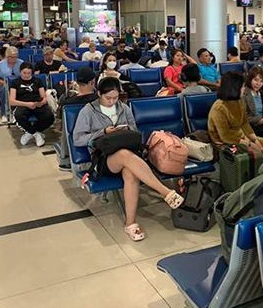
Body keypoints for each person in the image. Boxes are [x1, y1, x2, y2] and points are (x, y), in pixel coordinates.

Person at [73, 77, 185, 241]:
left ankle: (130, 224)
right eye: (108, 98)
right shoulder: (88, 111)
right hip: (103, 158)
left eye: (115, 97)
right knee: (125, 156)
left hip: (128, 155)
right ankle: (165, 192)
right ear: (99, 94)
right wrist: (103, 132)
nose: (112, 102)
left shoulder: (123, 108)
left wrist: (124, 129)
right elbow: (78, 139)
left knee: (130, 173)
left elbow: (134, 130)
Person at [207, 71, 263, 158]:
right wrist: (249, 143)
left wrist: (255, 140)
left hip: (242, 138)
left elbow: (245, 123)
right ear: (235, 88)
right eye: (242, 86)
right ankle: (259, 171)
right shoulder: (219, 108)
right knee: (257, 152)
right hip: (225, 143)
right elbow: (225, 136)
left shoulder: (239, 101)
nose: (244, 89)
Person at [56, 67, 98, 171]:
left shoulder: (67, 104)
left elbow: (60, 124)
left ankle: (65, 156)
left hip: (77, 143)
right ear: (93, 82)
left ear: (77, 83)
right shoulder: (100, 101)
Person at [9, 62, 54, 147]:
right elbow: (12, 101)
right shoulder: (15, 82)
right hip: (23, 104)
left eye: (29, 73)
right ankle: (35, 134)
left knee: (50, 117)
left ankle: (31, 132)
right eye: (24, 73)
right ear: (20, 72)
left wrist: (42, 102)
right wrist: (27, 104)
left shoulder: (37, 81)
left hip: (37, 103)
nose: (26, 75)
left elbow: (43, 96)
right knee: (19, 115)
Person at [0, 46, 24, 123]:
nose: (13, 59)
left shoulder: (21, 63)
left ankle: (17, 113)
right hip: (4, 83)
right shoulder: (0, 64)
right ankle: (4, 114)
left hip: (18, 83)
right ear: (7, 56)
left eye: (15, 57)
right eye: (11, 57)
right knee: (3, 91)